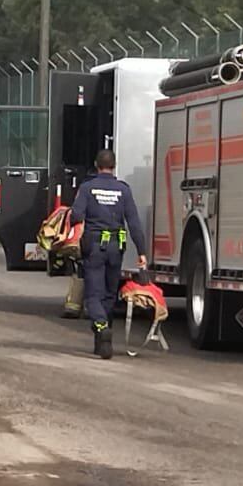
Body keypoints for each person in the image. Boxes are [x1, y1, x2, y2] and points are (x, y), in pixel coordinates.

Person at [69, 149, 147, 359]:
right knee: (109, 294)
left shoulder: (87, 188)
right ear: (114, 166)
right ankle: (102, 343)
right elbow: (134, 223)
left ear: (96, 164)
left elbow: (76, 215)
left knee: (93, 294)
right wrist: (142, 252)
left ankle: (102, 328)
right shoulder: (124, 190)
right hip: (116, 247)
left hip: (94, 247)